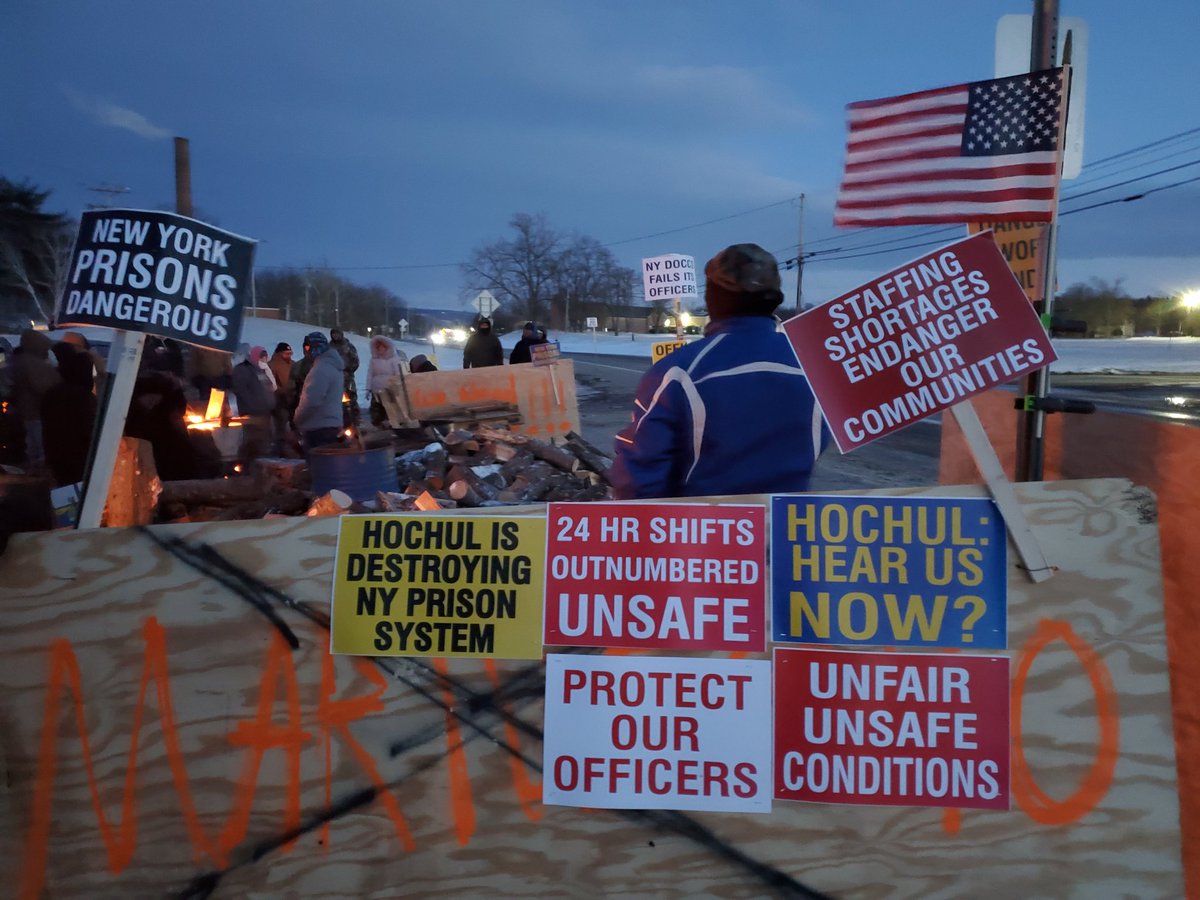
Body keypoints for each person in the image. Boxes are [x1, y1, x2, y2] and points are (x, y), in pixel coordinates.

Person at [610, 243, 828, 499]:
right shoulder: (816, 366)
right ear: (773, 299)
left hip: (703, 533)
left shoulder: (679, 371)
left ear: (715, 298)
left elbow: (640, 480)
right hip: (790, 530)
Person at [40, 344, 96, 487]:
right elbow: (88, 429)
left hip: (55, 453)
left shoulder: (52, 393)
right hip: (81, 456)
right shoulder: (84, 398)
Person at [11, 329, 60, 467]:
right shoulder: (33, 363)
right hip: (38, 411)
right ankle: (39, 473)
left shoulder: (22, 361)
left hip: (30, 411)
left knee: (33, 445)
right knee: (39, 446)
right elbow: (43, 386)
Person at [293, 331, 346, 450]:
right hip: (331, 425)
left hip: (318, 428)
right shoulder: (333, 366)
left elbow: (311, 401)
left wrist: (297, 418)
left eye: (308, 347)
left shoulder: (321, 370)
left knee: (319, 466)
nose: (306, 351)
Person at [231, 345, 275, 464]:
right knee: (252, 443)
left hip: (264, 413)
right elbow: (240, 390)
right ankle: (247, 467)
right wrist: (252, 406)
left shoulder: (259, 369)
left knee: (263, 442)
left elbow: (267, 388)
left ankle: (261, 466)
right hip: (251, 414)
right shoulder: (242, 370)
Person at [366, 334, 408, 425]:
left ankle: (391, 424)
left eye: (382, 347)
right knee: (376, 408)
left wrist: (397, 385)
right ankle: (377, 424)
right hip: (376, 389)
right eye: (378, 347)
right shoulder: (374, 360)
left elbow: (397, 373)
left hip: (389, 388)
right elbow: (370, 374)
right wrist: (368, 388)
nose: (380, 350)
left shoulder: (394, 359)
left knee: (389, 407)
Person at [268, 342, 297, 453]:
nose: (289, 356)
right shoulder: (272, 365)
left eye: (290, 353)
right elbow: (270, 384)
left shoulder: (293, 364)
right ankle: (280, 449)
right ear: (280, 353)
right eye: (286, 353)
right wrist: (281, 391)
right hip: (279, 400)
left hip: (292, 399)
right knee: (281, 425)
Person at [329, 328, 360, 423]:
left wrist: (349, 369)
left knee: (351, 396)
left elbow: (355, 360)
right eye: (333, 334)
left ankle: (355, 418)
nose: (335, 336)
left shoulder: (348, 346)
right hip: (333, 376)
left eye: (337, 334)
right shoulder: (329, 347)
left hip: (347, 376)